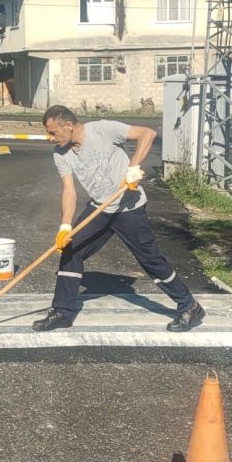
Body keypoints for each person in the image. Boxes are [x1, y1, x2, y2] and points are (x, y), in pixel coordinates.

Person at [33, 104, 205, 333]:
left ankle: (189, 305)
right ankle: (63, 311)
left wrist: (133, 167)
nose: (50, 138)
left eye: (53, 132)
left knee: (150, 260)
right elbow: (69, 190)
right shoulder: (61, 153)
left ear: (68, 125)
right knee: (70, 249)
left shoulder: (103, 130)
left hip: (128, 207)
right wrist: (65, 226)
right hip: (100, 209)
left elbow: (148, 133)